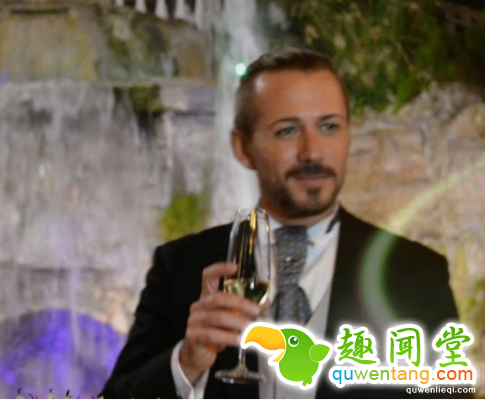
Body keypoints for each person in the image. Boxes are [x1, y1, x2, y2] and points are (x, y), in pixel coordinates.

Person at [99, 48, 460, 398]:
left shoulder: (417, 274)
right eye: (287, 130)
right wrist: (186, 361)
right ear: (243, 148)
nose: (312, 151)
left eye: (329, 126)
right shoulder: (180, 267)